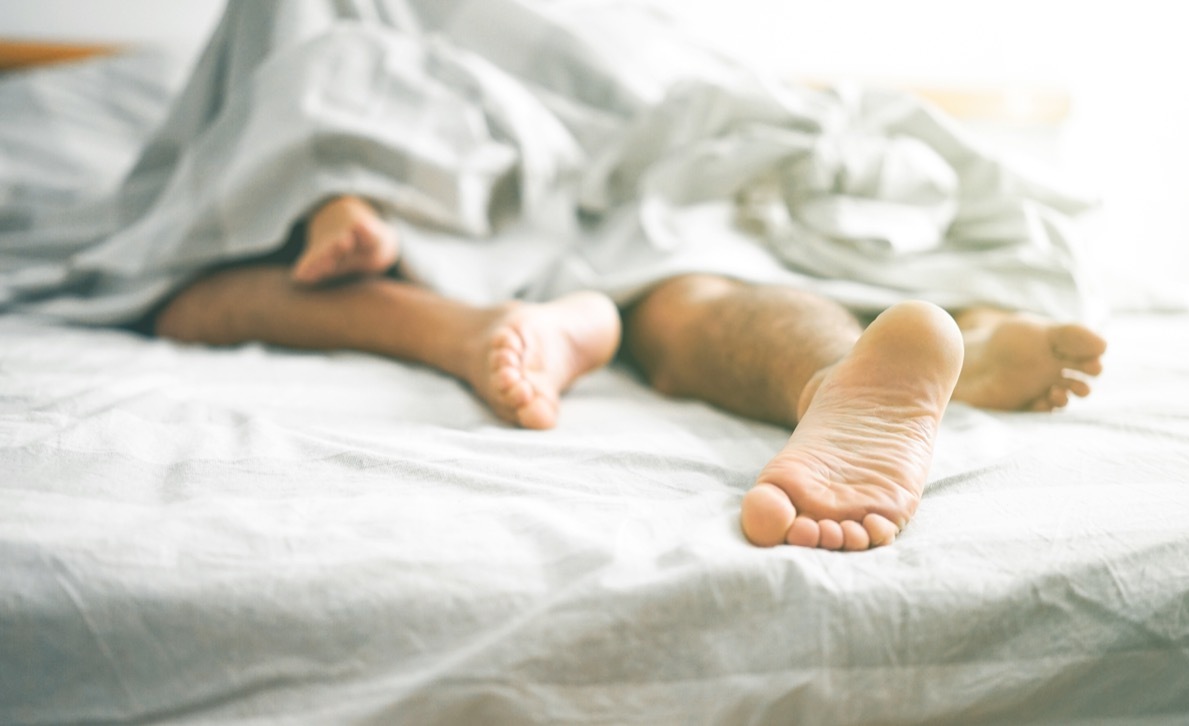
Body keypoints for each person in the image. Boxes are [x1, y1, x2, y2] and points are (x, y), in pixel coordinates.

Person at [154, 194, 1107, 552]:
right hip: (583, 201)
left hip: (558, 195)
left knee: (682, 281)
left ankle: (853, 375)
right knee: (687, 296)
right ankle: (844, 369)